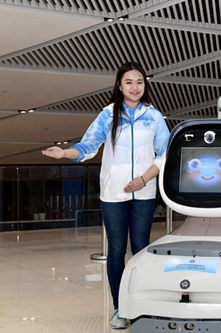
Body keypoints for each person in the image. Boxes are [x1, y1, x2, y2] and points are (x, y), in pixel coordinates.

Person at [42, 61, 170, 330]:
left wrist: (144, 179)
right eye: (129, 82)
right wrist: (65, 153)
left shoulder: (154, 116)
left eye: (139, 82)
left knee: (140, 249)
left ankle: (141, 304)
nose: (135, 87)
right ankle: (120, 308)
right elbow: (89, 145)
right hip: (113, 193)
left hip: (144, 192)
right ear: (119, 86)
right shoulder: (108, 115)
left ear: (145, 85)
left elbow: (165, 153)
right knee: (116, 251)